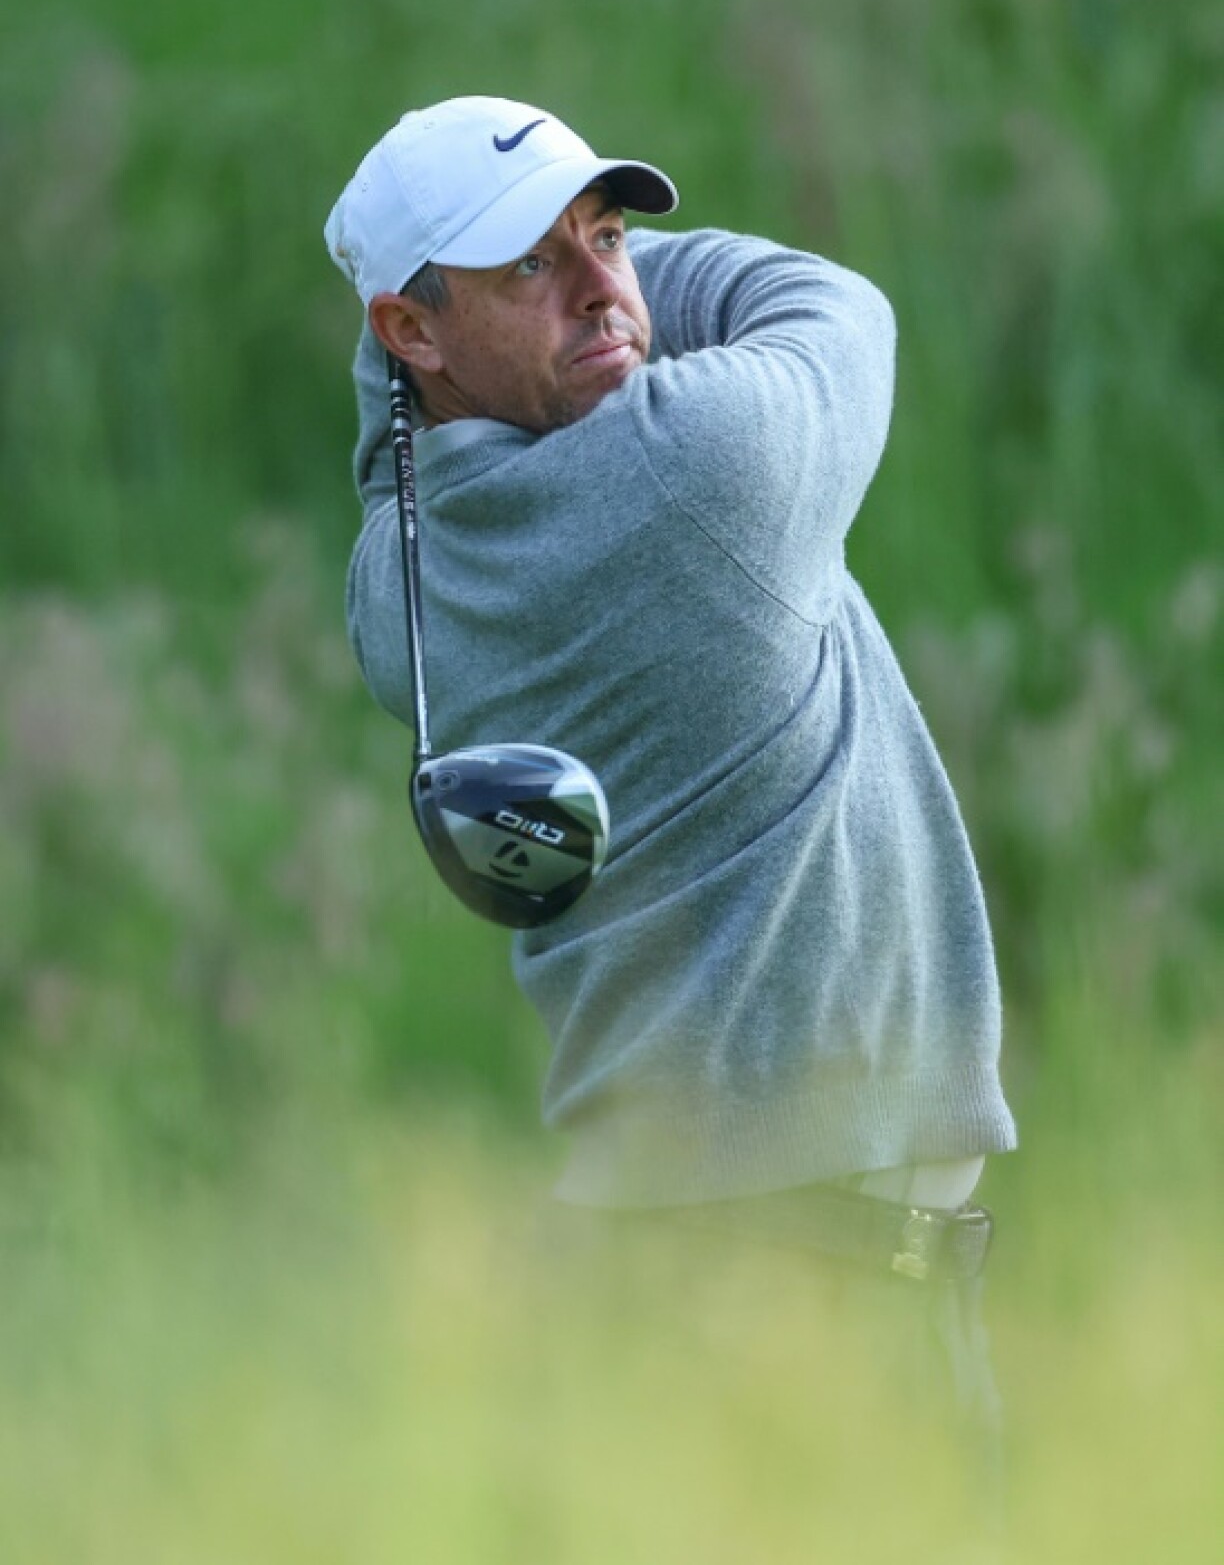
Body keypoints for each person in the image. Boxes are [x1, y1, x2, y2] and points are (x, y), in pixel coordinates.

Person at [324, 95, 1018, 1455]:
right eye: (530, 262)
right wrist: (629, 310)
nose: (598, 284)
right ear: (411, 329)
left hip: (647, 1263)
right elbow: (833, 303)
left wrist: (554, 300)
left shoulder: (391, 583)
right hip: (817, 1310)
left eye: (612, 236)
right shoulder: (706, 468)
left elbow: (389, 430)